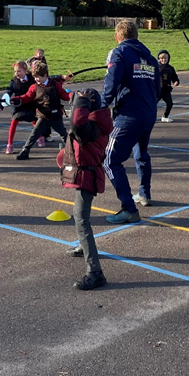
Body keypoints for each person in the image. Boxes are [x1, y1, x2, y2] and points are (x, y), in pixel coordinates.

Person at [102, 19, 160, 223]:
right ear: (136, 36)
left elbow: (111, 83)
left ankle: (128, 208)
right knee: (141, 153)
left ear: (117, 36)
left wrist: (102, 105)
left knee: (110, 159)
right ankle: (144, 193)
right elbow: (157, 88)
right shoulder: (151, 58)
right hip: (149, 112)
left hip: (129, 114)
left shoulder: (119, 53)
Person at [59, 88, 113, 291]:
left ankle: (95, 272)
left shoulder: (92, 126)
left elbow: (78, 124)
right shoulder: (97, 121)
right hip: (84, 173)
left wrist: (80, 100)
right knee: (79, 216)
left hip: (87, 177)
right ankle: (83, 247)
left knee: (82, 220)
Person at [12, 61, 71, 160]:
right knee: (34, 135)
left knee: (64, 135)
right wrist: (17, 99)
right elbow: (27, 97)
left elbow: (64, 95)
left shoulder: (55, 85)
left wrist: (72, 95)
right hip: (43, 116)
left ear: (45, 75)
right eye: (34, 77)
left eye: (38, 77)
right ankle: (25, 151)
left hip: (55, 116)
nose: (36, 80)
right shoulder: (34, 87)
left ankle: (75, 150)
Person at [0, 60, 35, 154]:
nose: (17, 73)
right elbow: (8, 93)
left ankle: (40, 137)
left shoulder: (32, 79)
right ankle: (9, 144)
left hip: (30, 104)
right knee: (14, 123)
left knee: (35, 122)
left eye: (19, 71)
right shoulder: (14, 82)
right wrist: (1, 105)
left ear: (25, 71)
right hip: (18, 105)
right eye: (15, 71)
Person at [156, 49, 180, 123]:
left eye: (165, 58)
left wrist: (176, 81)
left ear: (168, 58)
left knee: (170, 103)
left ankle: (165, 116)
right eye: (162, 58)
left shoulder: (170, 68)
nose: (164, 60)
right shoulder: (156, 67)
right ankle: (151, 117)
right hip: (158, 89)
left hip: (166, 90)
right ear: (159, 59)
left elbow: (174, 77)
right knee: (153, 104)